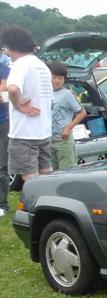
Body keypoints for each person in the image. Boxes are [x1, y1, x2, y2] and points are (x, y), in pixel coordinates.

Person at [0, 26, 53, 185]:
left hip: (24, 133)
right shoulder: (42, 65)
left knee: (30, 180)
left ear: (12, 46)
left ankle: (36, 202)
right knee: (46, 173)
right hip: (43, 130)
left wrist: (18, 105)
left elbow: (13, 88)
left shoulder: (20, 65)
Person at [49, 62, 86, 171]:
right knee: (51, 173)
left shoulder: (67, 94)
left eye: (60, 78)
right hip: (49, 140)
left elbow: (82, 113)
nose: (56, 81)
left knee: (67, 172)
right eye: (54, 77)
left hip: (63, 139)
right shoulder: (46, 93)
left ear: (64, 79)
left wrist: (68, 128)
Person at [0, 52, 9, 217]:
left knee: (1, 165)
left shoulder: (4, 69)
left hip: (2, 122)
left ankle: (2, 204)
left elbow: (4, 89)